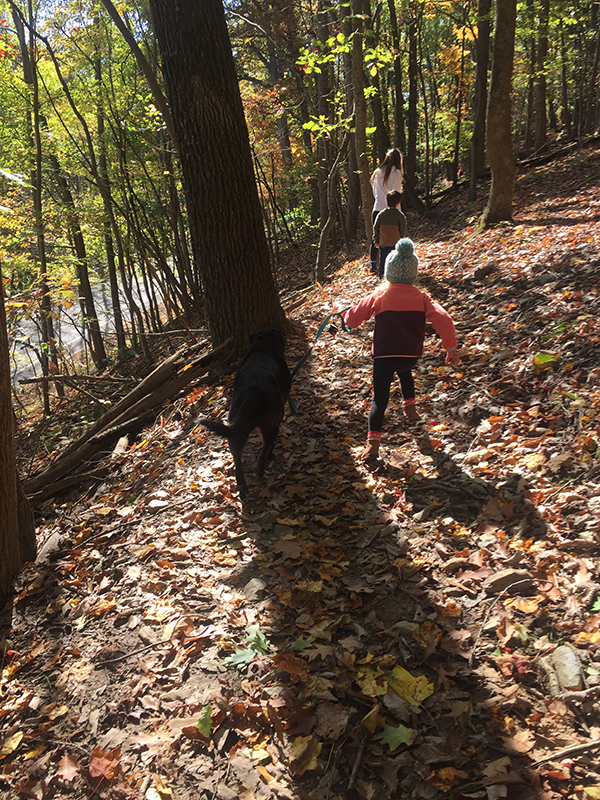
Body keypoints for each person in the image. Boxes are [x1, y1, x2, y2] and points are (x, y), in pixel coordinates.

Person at [343, 238, 460, 466]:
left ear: (388, 272)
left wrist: (346, 317)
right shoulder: (422, 298)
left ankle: (373, 445)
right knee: (405, 372)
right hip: (410, 356)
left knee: (379, 399)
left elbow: (353, 319)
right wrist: (451, 348)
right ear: (413, 274)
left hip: (384, 356)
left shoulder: (379, 296)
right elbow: (444, 318)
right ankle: (410, 409)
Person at [370, 148, 404, 274]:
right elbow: (395, 192)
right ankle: (394, 264)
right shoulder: (397, 173)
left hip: (377, 208)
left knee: (377, 237)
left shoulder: (377, 172)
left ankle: (373, 264)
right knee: (395, 238)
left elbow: (375, 192)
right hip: (392, 210)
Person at [372, 190, 407, 279]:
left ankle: (382, 276)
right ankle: (396, 276)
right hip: (396, 243)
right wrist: (402, 240)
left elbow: (376, 228)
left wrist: (376, 240)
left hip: (383, 243)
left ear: (386, 201)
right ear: (398, 203)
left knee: (383, 260)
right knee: (396, 260)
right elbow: (403, 230)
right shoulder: (400, 216)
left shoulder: (381, 215)